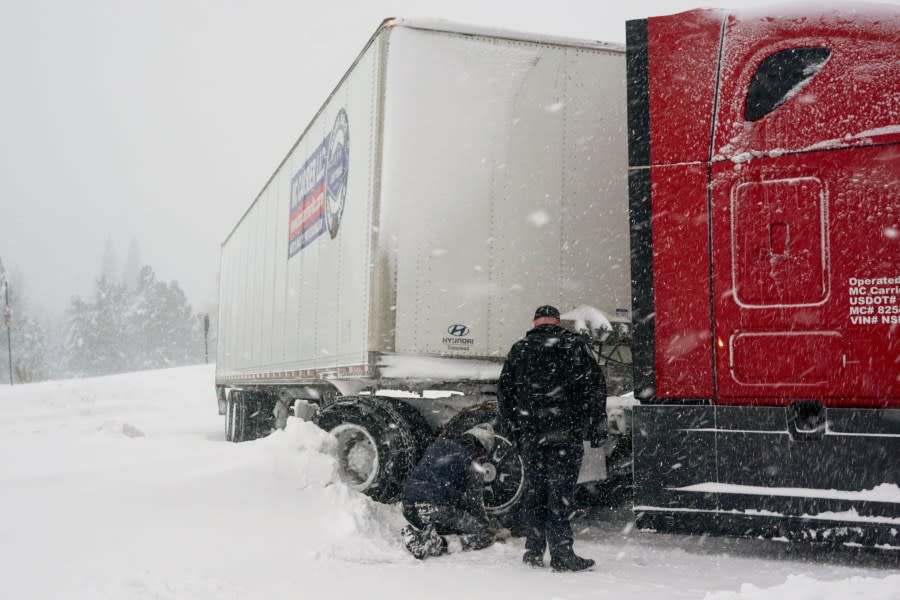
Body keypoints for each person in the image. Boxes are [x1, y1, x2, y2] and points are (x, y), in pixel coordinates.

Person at [497, 305, 606, 572]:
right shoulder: (574, 347)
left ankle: (533, 551)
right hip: (565, 434)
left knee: (534, 491)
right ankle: (561, 553)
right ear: (558, 323)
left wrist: (511, 428)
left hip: (532, 436)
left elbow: (504, 392)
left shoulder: (519, 350)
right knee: (560, 494)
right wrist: (595, 424)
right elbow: (595, 387)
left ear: (534, 323)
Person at [400, 424, 508, 559]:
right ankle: (436, 543)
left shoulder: (438, 445)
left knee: (452, 522)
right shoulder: (473, 463)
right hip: (434, 510)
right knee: (483, 535)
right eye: (484, 453)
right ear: (481, 447)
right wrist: (484, 525)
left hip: (408, 507)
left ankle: (424, 533)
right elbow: (475, 502)